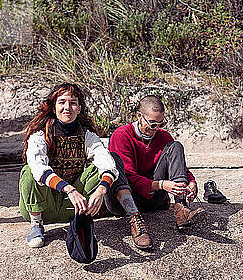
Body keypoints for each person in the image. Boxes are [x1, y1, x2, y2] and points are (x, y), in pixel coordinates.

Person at [19, 83, 151, 249]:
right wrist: (69, 190)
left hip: (74, 206)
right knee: (29, 171)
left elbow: (106, 162)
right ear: (53, 107)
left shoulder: (87, 135)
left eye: (73, 103)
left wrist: (102, 190)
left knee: (112, 159)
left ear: (79, 108)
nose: (67, 107)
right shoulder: (40, 135)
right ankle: (36, 225)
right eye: (62, 102)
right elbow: (39, 167)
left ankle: (122, 217)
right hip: (45, 206)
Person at [108, 95, 203, 243]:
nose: (156, 129)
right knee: (114, 160)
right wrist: (161, 185)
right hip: (123, 201)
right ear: (139, 116)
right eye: (152, 124)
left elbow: (178, 165)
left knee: (175, 146)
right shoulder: (122, 135)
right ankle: (135, 220)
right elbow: (127, 176)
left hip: (152, 199)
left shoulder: (163, 136)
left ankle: (181, 208)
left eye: (161, 123)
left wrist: (191, 182)